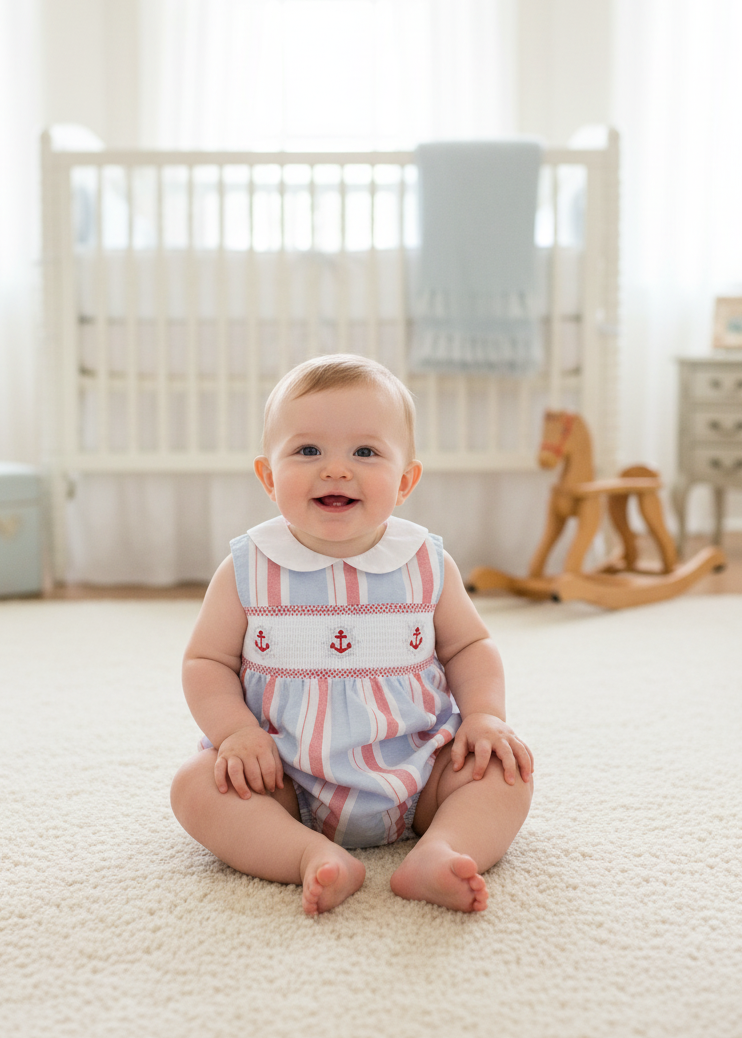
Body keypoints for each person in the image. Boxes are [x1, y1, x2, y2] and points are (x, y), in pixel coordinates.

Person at [170, 354, 533, 916]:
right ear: (268, 476)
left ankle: (441, 850)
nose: (336, 470)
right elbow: (206, 662)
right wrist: (237, 733)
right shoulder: (249, 568)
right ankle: (306, 854)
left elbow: (470, 647)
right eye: (308, 450)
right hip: (283, 775)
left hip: (420, 766)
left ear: (406, 480)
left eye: (365, 452)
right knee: (196, 788)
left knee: (506, 773)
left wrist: (485, 716)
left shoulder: (425, 563)